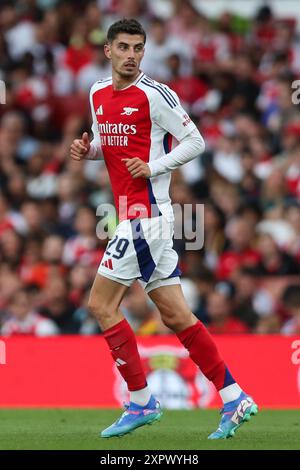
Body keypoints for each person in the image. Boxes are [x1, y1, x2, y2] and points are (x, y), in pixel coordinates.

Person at [70, 18, 258, 440]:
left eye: (138, 47)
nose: (132, 55)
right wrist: (90, 150)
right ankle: (234, 396)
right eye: (123, 47)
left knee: (101, 305)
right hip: (130, 214)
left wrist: (155, 166)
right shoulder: (97, 92)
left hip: (148, 216)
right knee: (175, 314)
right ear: (107, 50)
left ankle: (140, 400)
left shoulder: (156, 95)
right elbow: (112, 143)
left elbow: (196, 142)